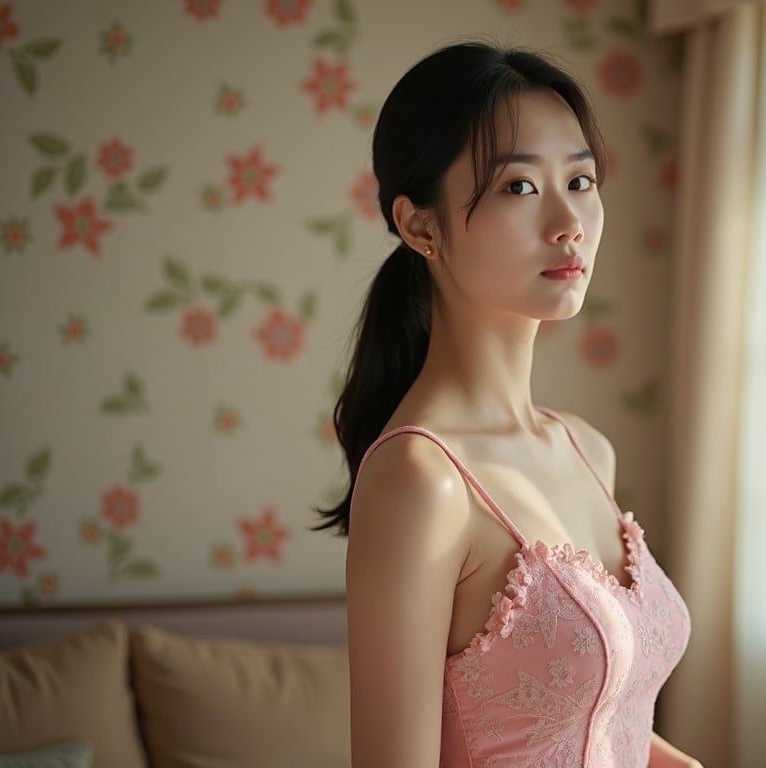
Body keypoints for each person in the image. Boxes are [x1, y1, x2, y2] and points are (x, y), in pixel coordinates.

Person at [315, 41, 700, 768]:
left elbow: (596, 719)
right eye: (519, 188)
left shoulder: (586, 448)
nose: (569, 221)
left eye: (581, 180)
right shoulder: (420, 480)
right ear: (421, 226)